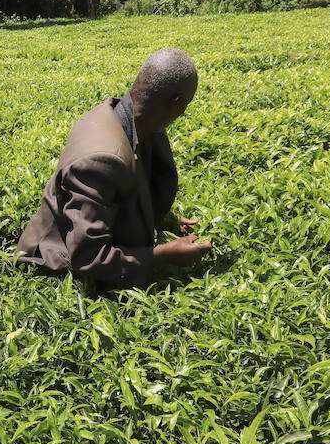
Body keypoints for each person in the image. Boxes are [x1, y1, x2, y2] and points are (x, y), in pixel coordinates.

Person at [15, 48, 212, 288]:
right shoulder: (101, 160)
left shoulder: (132, 118)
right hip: (55, 261)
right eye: (186, 105)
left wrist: (163, 218)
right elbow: (88, 257)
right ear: (176, 102)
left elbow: (128, 186)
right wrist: (162, 255)